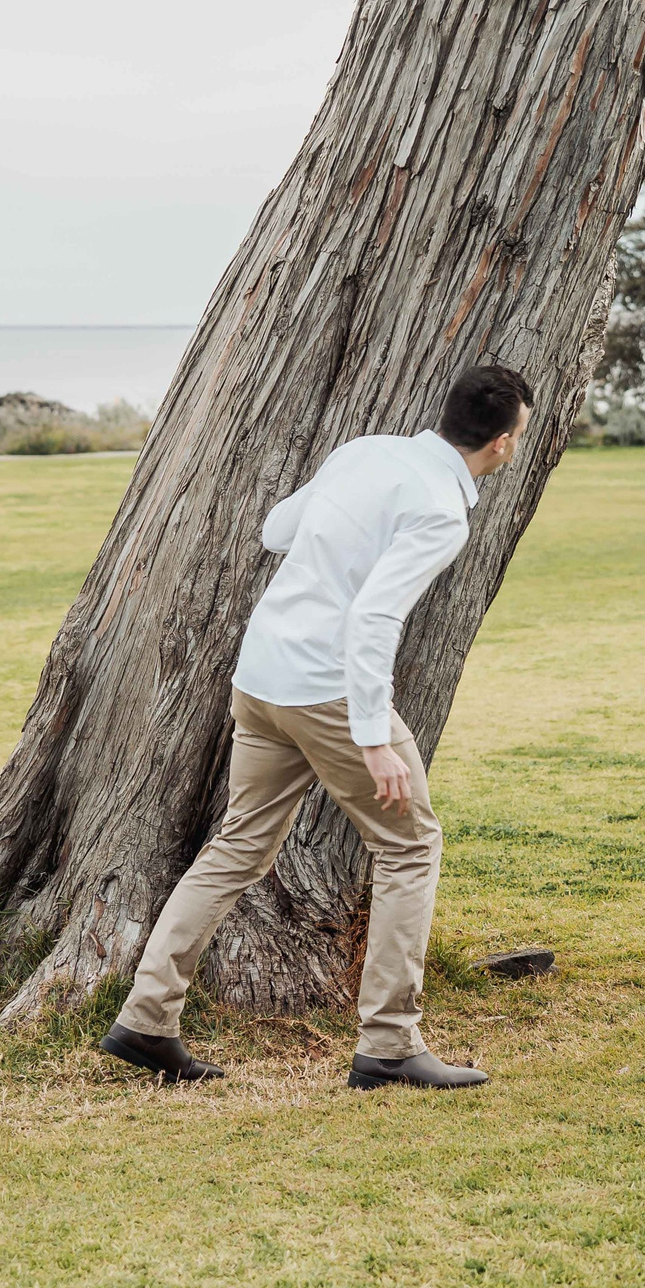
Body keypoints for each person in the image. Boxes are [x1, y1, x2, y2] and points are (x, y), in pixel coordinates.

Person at [100, 364, 534, 1090]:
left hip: (260, 678)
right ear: (502, 443)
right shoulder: (442, 509)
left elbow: (277, 528)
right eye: (518, 436)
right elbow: (372, 616)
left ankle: (146, 1018)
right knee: (409, 844)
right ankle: (390, 1041)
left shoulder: (365, 450)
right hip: (327, 691)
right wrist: (371, 736)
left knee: (237, 843)